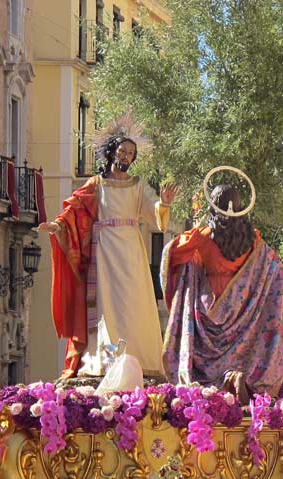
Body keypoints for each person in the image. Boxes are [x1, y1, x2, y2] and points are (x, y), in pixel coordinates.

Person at [35, 115, 177, 379]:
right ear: (113, 151)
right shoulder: (96, 185)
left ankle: (137, 358)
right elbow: (74, 209)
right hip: (104, 250)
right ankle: (103, 360)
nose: (126, 156)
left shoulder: (138, 186)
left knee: (132, 302)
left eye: (131, 153)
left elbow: (154, 213)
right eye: (123, 151)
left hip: (131, 250)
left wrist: (165, 204)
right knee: (105, 303)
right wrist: (57, 226)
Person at [161, 180, 283, 397]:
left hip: (209, 306)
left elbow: (173, 254)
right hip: (243, 307)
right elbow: (273, 265)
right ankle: (236, 378)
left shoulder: (203, 237)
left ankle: (210, 388)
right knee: (239, 354)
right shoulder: (253, 240)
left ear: (213, 206)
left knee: (201, 366)